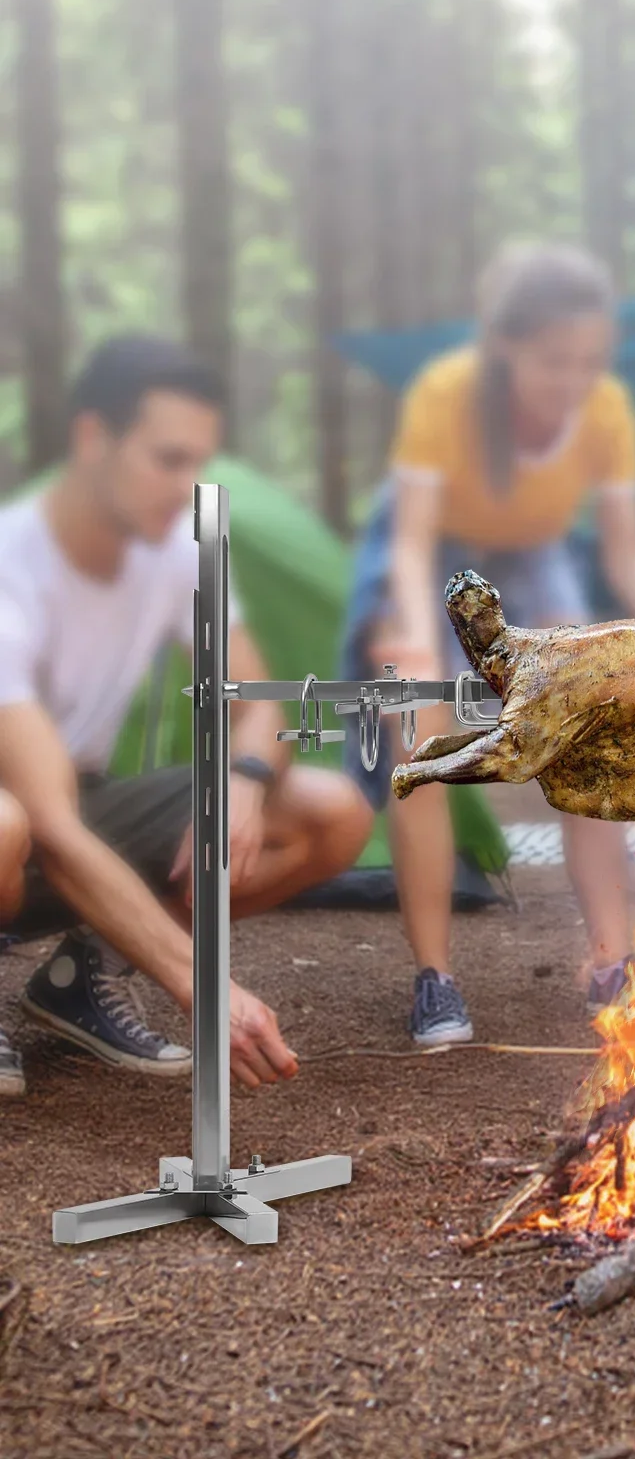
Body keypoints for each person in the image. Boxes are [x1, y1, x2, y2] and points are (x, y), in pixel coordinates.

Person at [0, 336, 373, 1099]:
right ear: (92, 439)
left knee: (329, 813)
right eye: (167, 460)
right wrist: (201, 986)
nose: (188, 485)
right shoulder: (13, 565)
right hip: (22, 818)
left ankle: (84, 975)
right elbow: (52, 828)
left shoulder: (172, 549)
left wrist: (242, 780)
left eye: (199, 463)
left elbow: (257, 689)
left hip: (82, 800)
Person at [344, 242, 635, 1045]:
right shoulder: (445, 393)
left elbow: (627, 555)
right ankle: (436, 980)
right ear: (505, 346)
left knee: (590, 729)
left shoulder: (606, 411)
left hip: (532, 558)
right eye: (553, 361)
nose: (574, 381)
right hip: (426, 554)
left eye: (590, 362)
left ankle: (611, 958)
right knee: (420, 737)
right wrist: (420, 652)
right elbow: (414, 544)